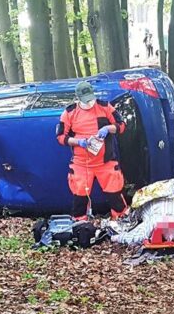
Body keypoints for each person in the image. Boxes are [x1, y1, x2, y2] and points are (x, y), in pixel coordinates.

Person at [55, 81, 129, 221]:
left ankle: (121, 222)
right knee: (80, 197)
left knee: (115, 195)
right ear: (78, 99)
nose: (89, 103)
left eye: (90, 99)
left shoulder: (105, 107)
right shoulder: (69, 112)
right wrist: (78, 142)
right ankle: (80, 226)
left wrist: (107, 128)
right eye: (85, 100)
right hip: (81, 164)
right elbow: (60, 137)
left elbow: (122, 125)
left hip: (106, 161)